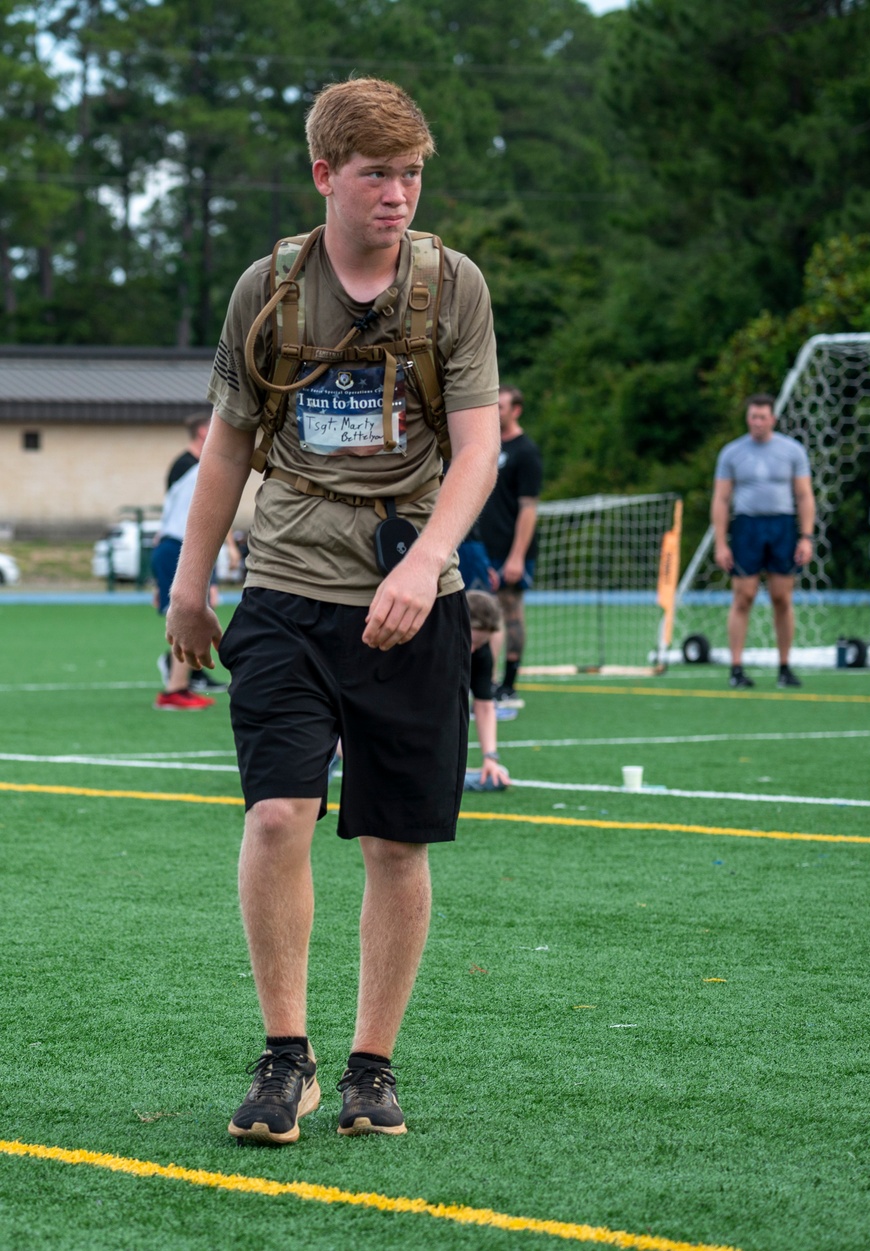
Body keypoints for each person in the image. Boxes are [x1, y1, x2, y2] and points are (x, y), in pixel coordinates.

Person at [165, 77, 499, 1146]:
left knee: (396, 842)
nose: (396, 195)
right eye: (375, 176)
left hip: (413, 596)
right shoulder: (268, 287)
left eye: (409, 174)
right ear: (324, 176)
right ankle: (284, 1058)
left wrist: (428, 563)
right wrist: (190, 578)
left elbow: (480, 447)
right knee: (277, 814)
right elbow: (225, 443)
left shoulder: (455, 287)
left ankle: (371, 1066)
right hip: (286, 592)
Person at [711, 393, 816, 689]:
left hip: (782, 525)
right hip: (747, 526)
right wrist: (721, 542)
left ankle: (784, 666)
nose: (757, 422)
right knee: (743, 595)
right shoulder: (732, 453)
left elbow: (804, 495)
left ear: (773, 418)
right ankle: (736, 668)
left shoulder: (792, 451)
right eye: (753, 417)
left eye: (762, 417)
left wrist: (805, 537)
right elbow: (721, 498)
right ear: (748, 419)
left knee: (782, 597)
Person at [151, 413, 227, 710]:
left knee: (191, 612)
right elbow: (204, 520)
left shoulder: (190, 469)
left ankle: (181, 677)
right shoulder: (200, 469)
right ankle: (175, 688)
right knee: (192, 612)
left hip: (169, 545)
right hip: (178, 546)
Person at [477, 385, 542, 708]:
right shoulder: (486, 445)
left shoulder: (526, 451)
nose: (495, 412)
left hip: (511, 550)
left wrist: (517, 557)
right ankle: (482, 683)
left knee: (509, 612)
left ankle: (509, 685)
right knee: (481, 614)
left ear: (516, 410)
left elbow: (529, 508)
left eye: (500, 407)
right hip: (482, 546)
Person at [465, 591, 511, 791]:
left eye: (481, 643)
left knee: (497, 777)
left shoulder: (481, 654)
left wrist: (490, 758)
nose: (473, 650)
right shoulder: (427, 642)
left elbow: (484, 706)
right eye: (471, 641)